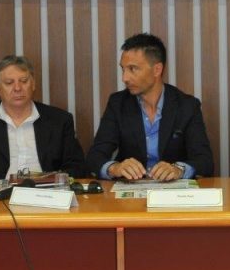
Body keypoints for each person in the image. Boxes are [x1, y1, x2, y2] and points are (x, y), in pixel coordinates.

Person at [86, 33, 214, 180]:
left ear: (157, 70)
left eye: (133, 69)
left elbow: (205, 161)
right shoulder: (117, 103)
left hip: (173, 190)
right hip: (130, 191)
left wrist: (179, 169)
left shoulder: (187, 106)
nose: (124, 78)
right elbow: (94, 157)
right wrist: (114, 168)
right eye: (123, 69)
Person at [0, 55, 87, 179]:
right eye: (9, 83)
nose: (17, 88)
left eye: (24, 81)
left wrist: (51, 181)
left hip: (47, 190)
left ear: (33, 84)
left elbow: (76, 166)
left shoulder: (60, 120)